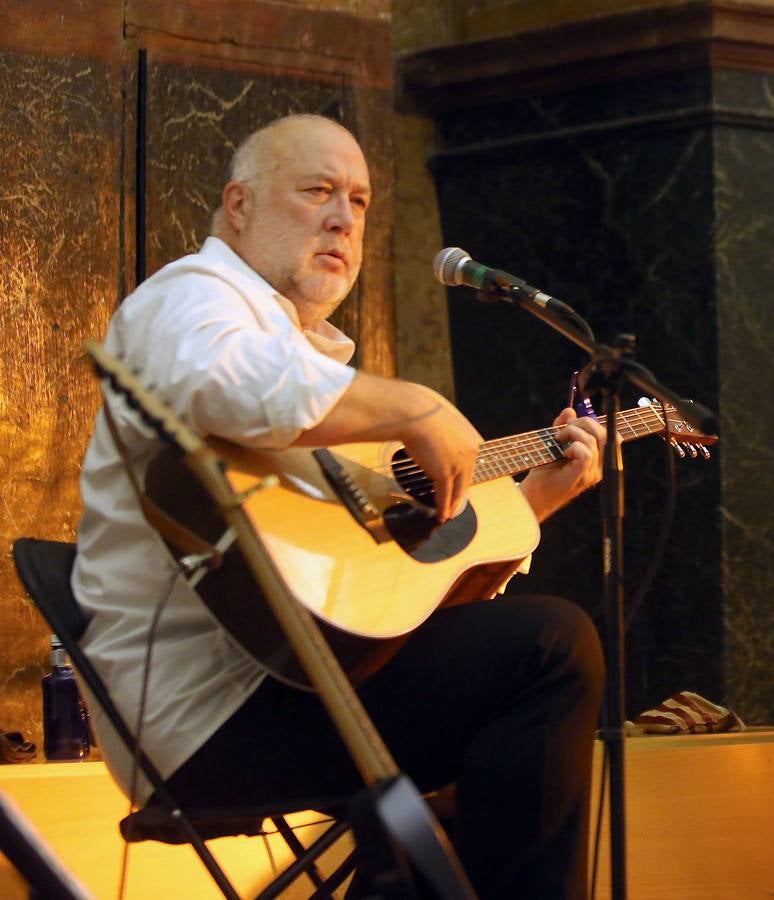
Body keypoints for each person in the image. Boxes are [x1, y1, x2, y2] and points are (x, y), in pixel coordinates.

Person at [71, 113, 607, 898]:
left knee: (503, 717)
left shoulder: (309, 365)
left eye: (359, 202)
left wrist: (531, 503)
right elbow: (222, 381)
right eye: (318, 190)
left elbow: (381, 598)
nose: (343, 219)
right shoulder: (188, 297)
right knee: (549, 649)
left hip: (298, 680)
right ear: (239, 205)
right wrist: (417, 408)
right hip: (211, 715)